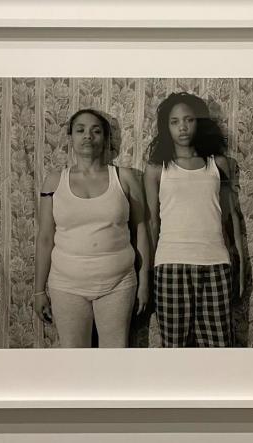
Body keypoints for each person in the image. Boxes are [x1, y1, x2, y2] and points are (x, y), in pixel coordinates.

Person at [34, 109, 149, 348]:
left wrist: (145, 281)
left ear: (106, 139)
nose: (88, 136)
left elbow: (141, 231)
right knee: (74, 360)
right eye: (80, 130)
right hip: (66, 285)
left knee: (115, 358)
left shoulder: (125, 178)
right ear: (71, 138)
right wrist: (38, 291)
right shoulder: (54, 181)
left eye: (96, 131)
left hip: (118, 284)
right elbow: (45, 238)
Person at [143, 92, 244, 348]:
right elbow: (152, 223)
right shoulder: (156, 170)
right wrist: (146, 274)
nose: (183, 127)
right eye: (175, 122)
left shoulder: (218, 164)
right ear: (166, 127)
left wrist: (240, 265)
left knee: (218, 347)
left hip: (215, 264)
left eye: (188, 120)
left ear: (199, 122)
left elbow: (230, 217)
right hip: (170, 266)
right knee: (174, 349)